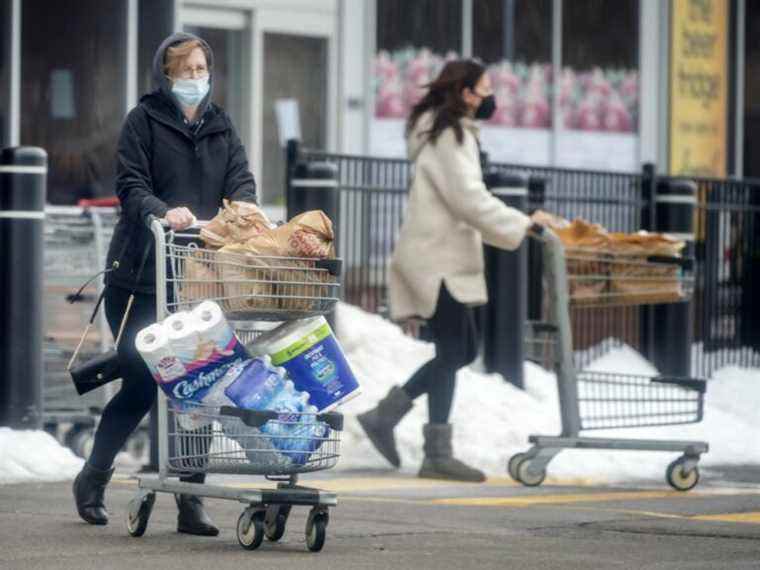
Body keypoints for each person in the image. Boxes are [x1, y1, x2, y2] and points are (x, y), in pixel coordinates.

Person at [72, 32, 257, 534]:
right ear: (166, 75)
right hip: (139, 275)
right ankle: (94, 476)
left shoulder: (222, 126)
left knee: (195, 382)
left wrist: (243, 208)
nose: (195, 78)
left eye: (201, 69)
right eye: (185, 71)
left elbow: (240, 179)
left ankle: (189, 499)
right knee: (140, 378)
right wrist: (162, 212)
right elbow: (131, 185)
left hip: (195, 278)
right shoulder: (144, 120)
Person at [357, 59, 544, 482]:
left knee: (458, 350)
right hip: (436, 261)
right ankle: (428, 448)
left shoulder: (444, 133)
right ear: (465, 93)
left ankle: (391, 420)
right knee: (457, 350)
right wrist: (522, 222)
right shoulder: (450, 136)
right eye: (484, 89)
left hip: (437, 257)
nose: (489, 97)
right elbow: (468, 197)